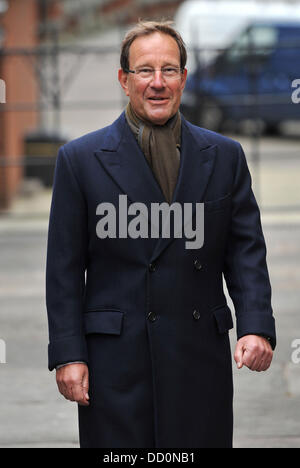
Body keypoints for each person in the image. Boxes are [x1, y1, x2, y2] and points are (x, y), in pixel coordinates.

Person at [46, 21, 276, 449]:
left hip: (197, 358)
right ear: (124, 79)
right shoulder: (79, 160)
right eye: (144, 71)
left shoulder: (225, 156)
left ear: (184, 79)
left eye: (169, 70)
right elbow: (62, 269)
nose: (157, 83)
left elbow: (245, 252)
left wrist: (256, 325)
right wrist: (68, 353)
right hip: (115, 363)